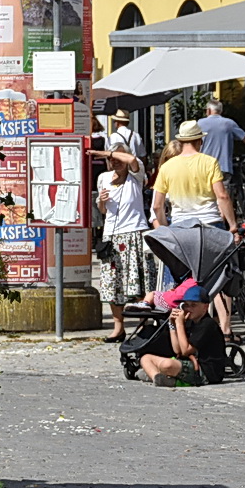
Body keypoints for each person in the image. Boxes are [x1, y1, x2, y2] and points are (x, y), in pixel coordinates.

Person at [150, 119, 238, 337]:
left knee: (183, 281)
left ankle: (183, 327)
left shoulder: (167, 167)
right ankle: (224, 327)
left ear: (181, 142)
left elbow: (157, 205)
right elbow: (222, 196)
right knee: (219, 277)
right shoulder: (209, 163)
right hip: (210, 226)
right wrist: (233, 226)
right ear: (199, 141)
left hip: (180, 231)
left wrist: (164, 229)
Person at [96, 145, 154, 344]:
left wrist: (110, 153)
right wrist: (101, 202)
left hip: (134, 233)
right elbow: (104, 211)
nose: (115, 161)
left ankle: (145, 324)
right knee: (113, 283)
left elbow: (132, 161)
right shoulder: (103, 178)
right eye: (112, 158)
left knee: (137, 282)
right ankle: (118, 327)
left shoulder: (135, 177)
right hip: (112, 236)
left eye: (118, 156)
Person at [137, 282, 228, 387]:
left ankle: (165, 376)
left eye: (193, 305)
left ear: (205, 307)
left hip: (205, 370)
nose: (188, 309)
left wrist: (179, 324)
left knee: (167, 364)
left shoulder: (207, 324)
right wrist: (172, 325)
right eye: (186, 305)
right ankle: (158, 377)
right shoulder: (190, 321)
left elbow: (185, 351)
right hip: (187, 363)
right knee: (145, 358)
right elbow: (177, 350)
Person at [198, 99, 245, 177]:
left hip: (204, 167)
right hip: (223, 167)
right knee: (223, 189)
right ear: (220, 111)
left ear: (209, 110)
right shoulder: (229, 123)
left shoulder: (200, 124)